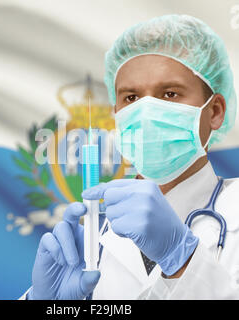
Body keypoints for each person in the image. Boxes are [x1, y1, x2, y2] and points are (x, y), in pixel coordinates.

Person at [21, 14, 239, 300]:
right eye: (131, 98)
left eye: (170, 94)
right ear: (117, 115)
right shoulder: (92, 238)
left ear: (215, 111)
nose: (147, 111)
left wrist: (182, 259)